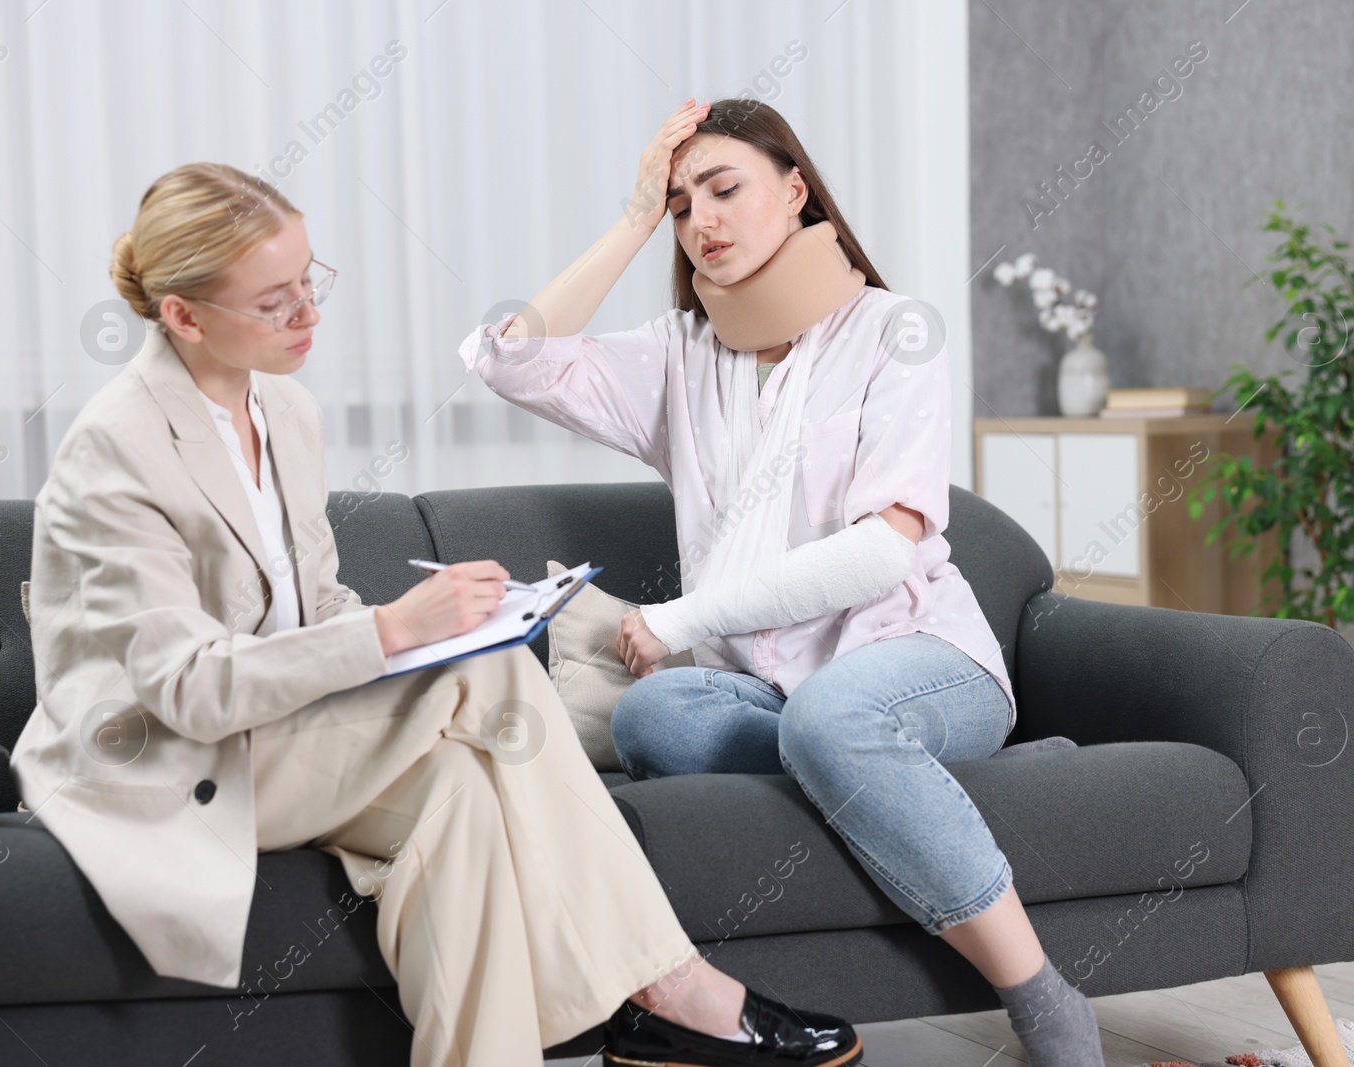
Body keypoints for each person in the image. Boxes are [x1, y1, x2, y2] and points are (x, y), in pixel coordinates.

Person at [9, 162, 862, 1067]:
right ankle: (671, 985)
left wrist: (425, 620)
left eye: (311, 282)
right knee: (486, 672)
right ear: (182, 315)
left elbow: (315, 604)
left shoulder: (285, 411)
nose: (309, 315)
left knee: (456, 800)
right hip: (166, 753)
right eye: (275, 302)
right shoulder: (117, 446)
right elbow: (186, 690)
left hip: (278, 732)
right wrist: (398, 632)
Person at [459, 99, 1104, 1067]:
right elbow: (504, 356)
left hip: (917, 656)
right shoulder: (681, 356)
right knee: (651, 718)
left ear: (796, 191)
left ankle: (1045, 998)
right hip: (772, 688)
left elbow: (885, 549)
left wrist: (683, 615)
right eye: (683, 206)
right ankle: (909, 781)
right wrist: (634, 214)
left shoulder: (893, 331)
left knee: (830, 718)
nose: (701, 220)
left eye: (724, 190)